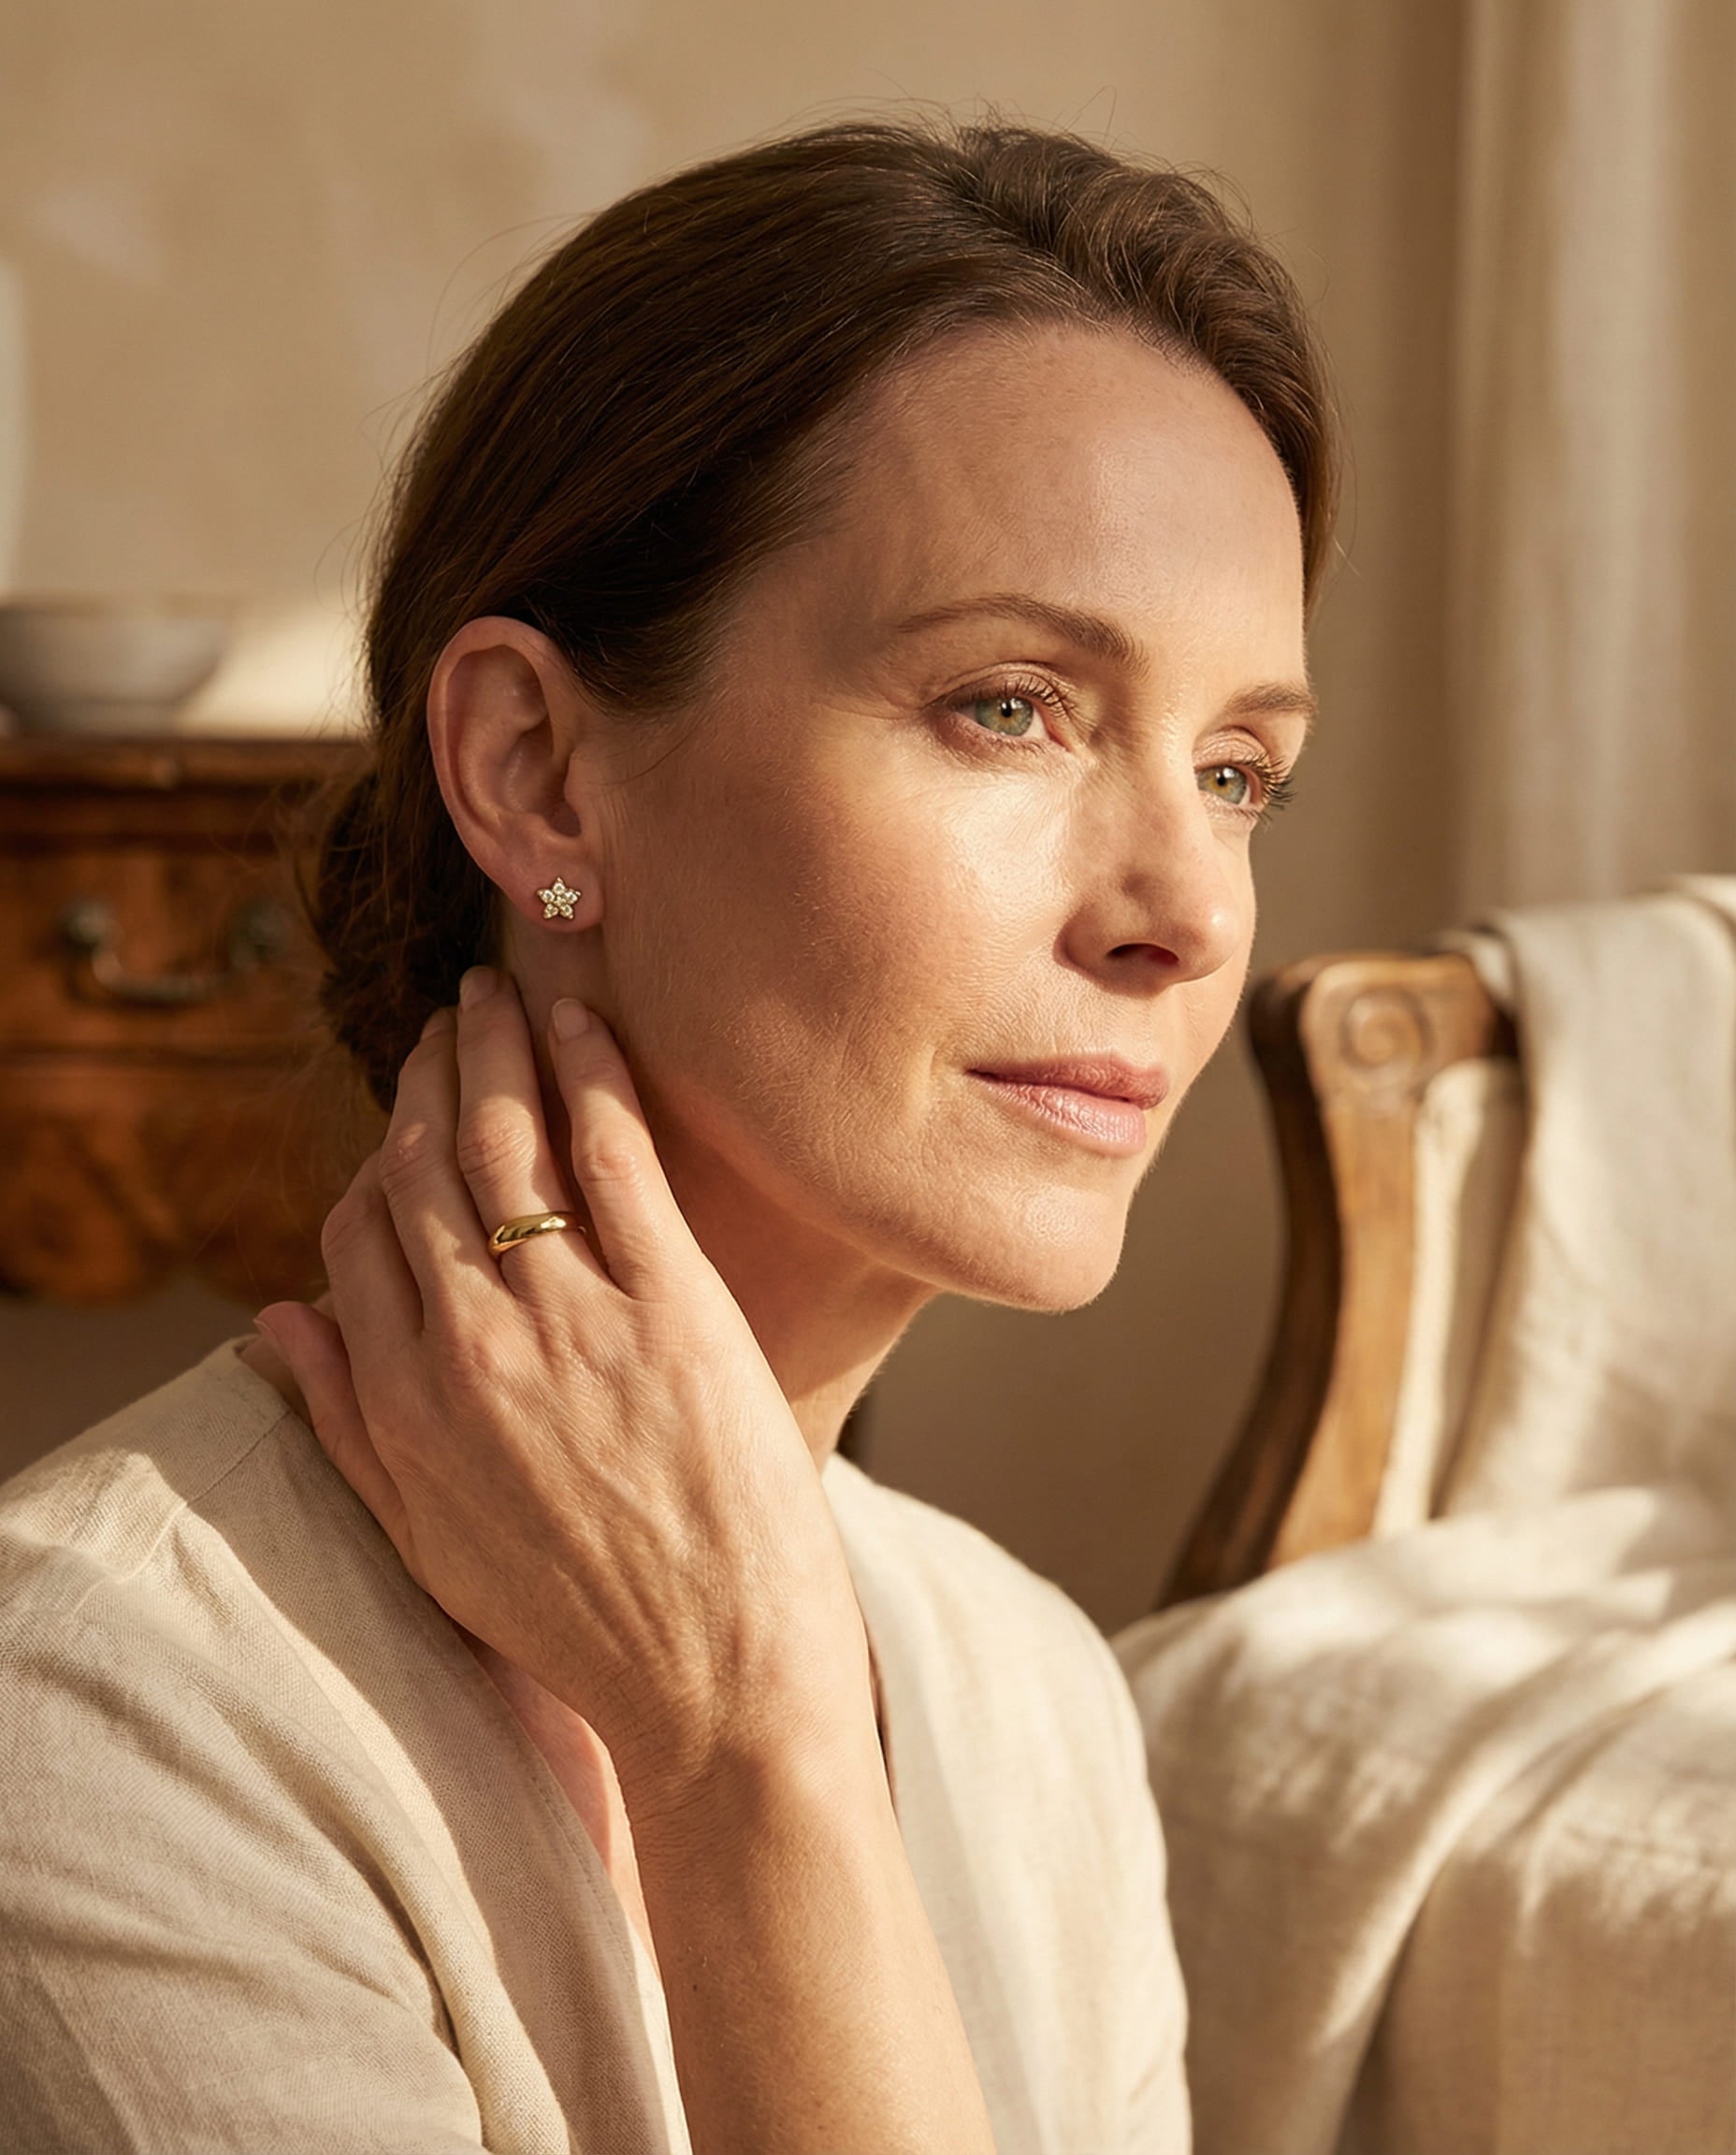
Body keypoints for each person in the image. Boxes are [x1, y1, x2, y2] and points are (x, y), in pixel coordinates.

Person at [0, 118, 1334, 2152]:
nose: (1187, 911)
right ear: (534, 772)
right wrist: (747, 1764)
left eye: (1240, 769)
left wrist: (763, 1724)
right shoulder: (96, 1723)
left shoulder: (1031, 1690)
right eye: (1010, 706)